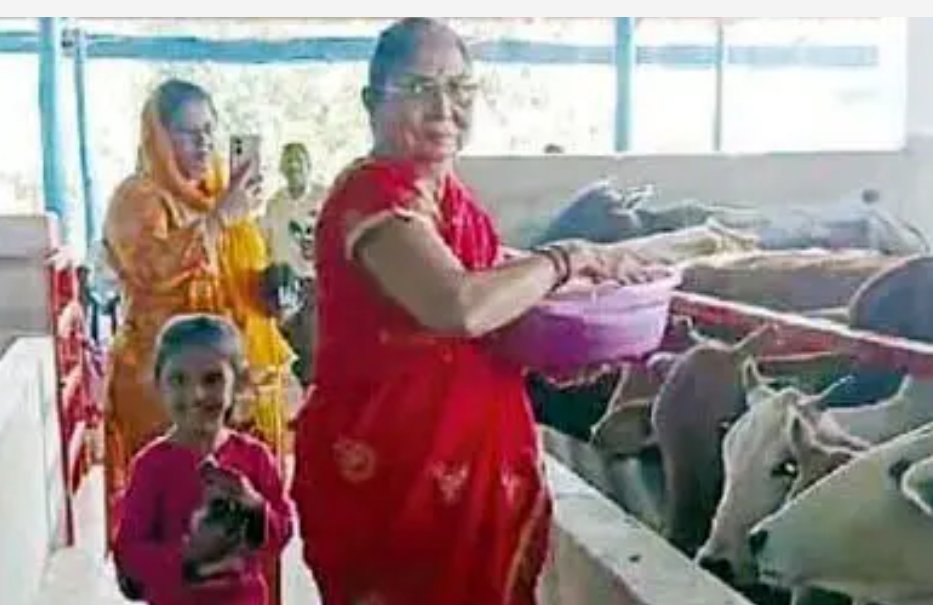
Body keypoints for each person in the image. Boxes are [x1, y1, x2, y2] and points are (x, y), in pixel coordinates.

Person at [290, 18, 660, 605]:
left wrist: (561, 354)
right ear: (371, 101)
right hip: (394, 483)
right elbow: (458, 306)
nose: (444, 108)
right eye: (420, 88)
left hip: (474, 477)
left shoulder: (456, 203)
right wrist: (568, 258)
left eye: (460, 88)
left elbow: (494, 321)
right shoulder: (373, 198)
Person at [101, 79, 293, 603]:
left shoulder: (220, 194)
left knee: (248, 514)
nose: (204, 143)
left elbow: (242, 280)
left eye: (210, 130)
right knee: (175, 503)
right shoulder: (138, 198)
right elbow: (150, 267)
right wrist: (218, 220)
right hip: (165, 387)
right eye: (188, 133)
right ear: (159, 139)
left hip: (233, 382)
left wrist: (274, 289)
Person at [113, 313, 293, 605]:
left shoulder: (256, 457)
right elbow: (129, 554)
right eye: (178, 380)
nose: (196, 395)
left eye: (212, 379)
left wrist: (254, 505)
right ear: (159, 384)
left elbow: (282, 533)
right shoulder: (151, 466)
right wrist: (189, 555)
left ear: (238, 384)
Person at [260, 142, 325, 387]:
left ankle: (312, 393)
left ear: (309, 165)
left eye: (298, 160)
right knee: (287, 349)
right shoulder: (275, 204)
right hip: (283, 284)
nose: (294, 166)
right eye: (288, 161)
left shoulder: (324, 197)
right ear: (281, 168)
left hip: (314, 282)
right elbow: (264, 245)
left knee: (312, 346)